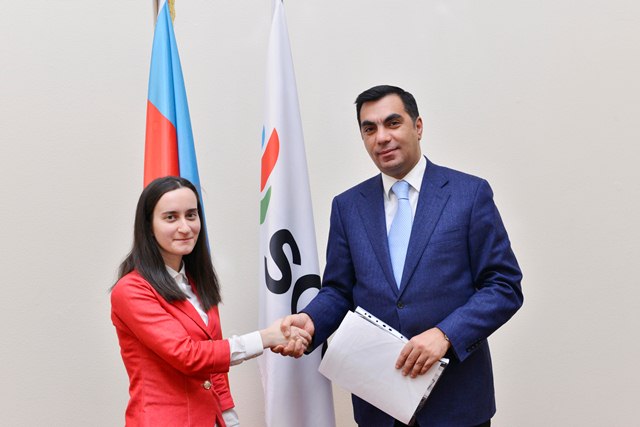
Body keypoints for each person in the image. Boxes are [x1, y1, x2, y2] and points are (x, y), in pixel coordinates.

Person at [275, 85, 523, 427]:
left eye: (393, 123)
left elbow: (504, 286)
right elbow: (339, 291)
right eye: (370, 129)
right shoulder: (348, 207)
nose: (382, 137)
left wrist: (446, 335)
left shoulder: (469, 194)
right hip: (379, 405)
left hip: (456, 403)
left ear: (418, 126)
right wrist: (311, 320)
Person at [110, 176, 309, 427]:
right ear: (148, 226)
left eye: (191, 215)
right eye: (171, 217)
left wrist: (230, 420)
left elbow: (214, 367)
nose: (185, 227)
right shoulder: (131, 290)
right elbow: (188, 356)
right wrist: (266, 337)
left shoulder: (197, 281)